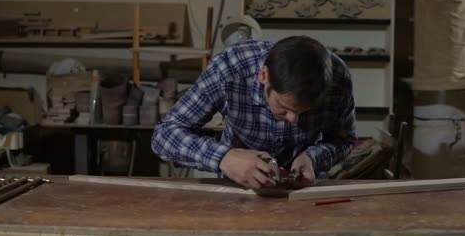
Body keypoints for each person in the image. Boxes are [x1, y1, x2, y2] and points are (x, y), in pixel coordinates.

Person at [152, 36, 357, 189]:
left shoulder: (337, 78)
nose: (294, 120)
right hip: (237, 188)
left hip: (302, 192)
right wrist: (224, 158)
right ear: (264, 75)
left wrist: (313, 157)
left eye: (304, 112)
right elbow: (164, 135)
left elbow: (345, 140)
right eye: (284, 108)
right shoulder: (230, 68)